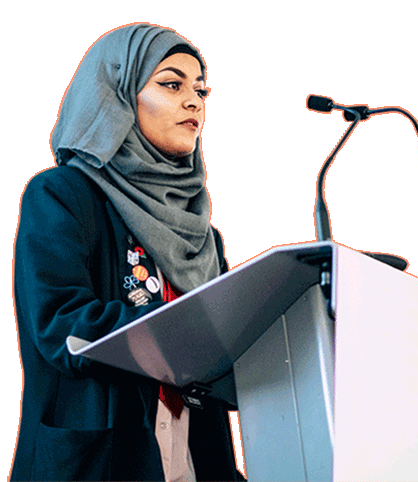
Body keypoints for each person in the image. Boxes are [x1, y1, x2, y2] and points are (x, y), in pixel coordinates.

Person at [11, 24, 242, 482]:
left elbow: (225, 350)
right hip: (99, 463)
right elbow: (60, 326)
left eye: (200, 89)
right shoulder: (62, 196)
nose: (195, 101)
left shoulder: (202, 236)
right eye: (172, 84)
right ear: (117, 95)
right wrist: (178, 331)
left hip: (196, 462)